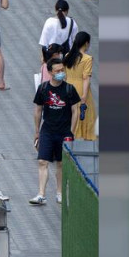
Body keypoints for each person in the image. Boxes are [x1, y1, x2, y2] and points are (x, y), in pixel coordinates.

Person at [30, 58, 81, 205]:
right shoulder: (43, 88)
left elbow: (75, 110)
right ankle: (41, 194)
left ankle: (59, 193)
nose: (61, 73)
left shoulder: (69, 89)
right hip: (47, 130)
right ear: (50, 72)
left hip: (64, 131)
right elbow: (38, 110)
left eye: (62, 70)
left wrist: (72, 131)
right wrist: (36, 131)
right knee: (42, 161)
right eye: (57, 71)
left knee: (60, 163)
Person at [63, 32, 96, 140]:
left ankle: (69, 138)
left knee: (69, 114)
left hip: (68, 87)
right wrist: (84, 97)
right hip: (81, 88)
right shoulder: (88, 58)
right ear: (86, 43)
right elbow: (86, 78)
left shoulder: (68, 56)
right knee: (85, 115)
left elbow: (64, 75)